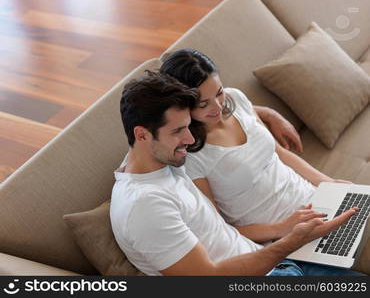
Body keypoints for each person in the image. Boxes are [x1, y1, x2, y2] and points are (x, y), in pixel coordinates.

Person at [110, 70, 361, 276]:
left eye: (188, 127)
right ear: (141, 135)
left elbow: (222, 107)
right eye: (178, 132)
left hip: (275, 261)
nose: (189, 139)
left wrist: (266, 113)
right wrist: (291, 241)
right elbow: (209, 279)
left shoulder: (159, 158)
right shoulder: (145, 207)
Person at [159, 49, 351, 244]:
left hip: (315, 200)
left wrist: (329, 184)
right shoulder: (190, 154)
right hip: (283, 237)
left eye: (219, 93)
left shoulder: (236, 99)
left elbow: (280, 153)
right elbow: (220, 231)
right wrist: (281, 229)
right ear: (182, 105)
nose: (218, 107)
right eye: (203, 104)